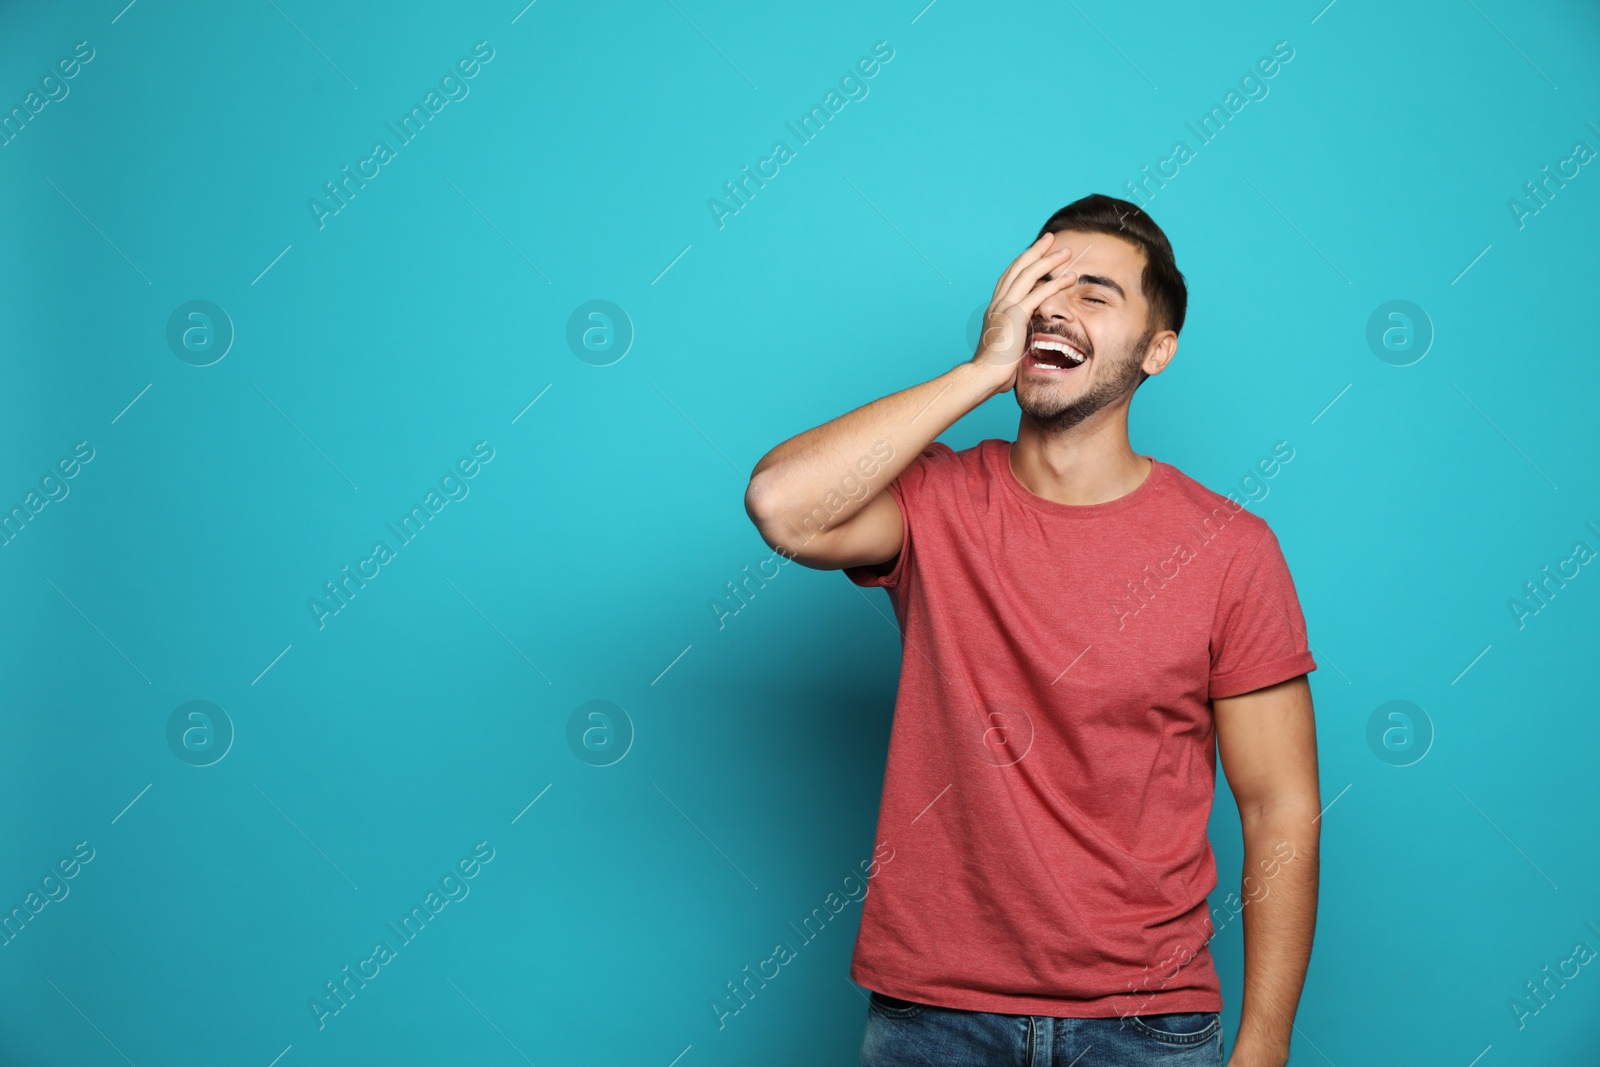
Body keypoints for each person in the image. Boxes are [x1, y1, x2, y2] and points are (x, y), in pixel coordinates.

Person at [742, 194, 1321, 1067]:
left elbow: (1281, 809)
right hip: (932, 1020)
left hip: (1148, 1027)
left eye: (1095, 292)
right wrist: (981, 370)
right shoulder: (932, 502)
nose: (1055, 305)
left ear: (1158, 350)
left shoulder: (1231, 552)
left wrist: (1265, 1045)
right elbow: (781, 504)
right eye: (1039, 283)